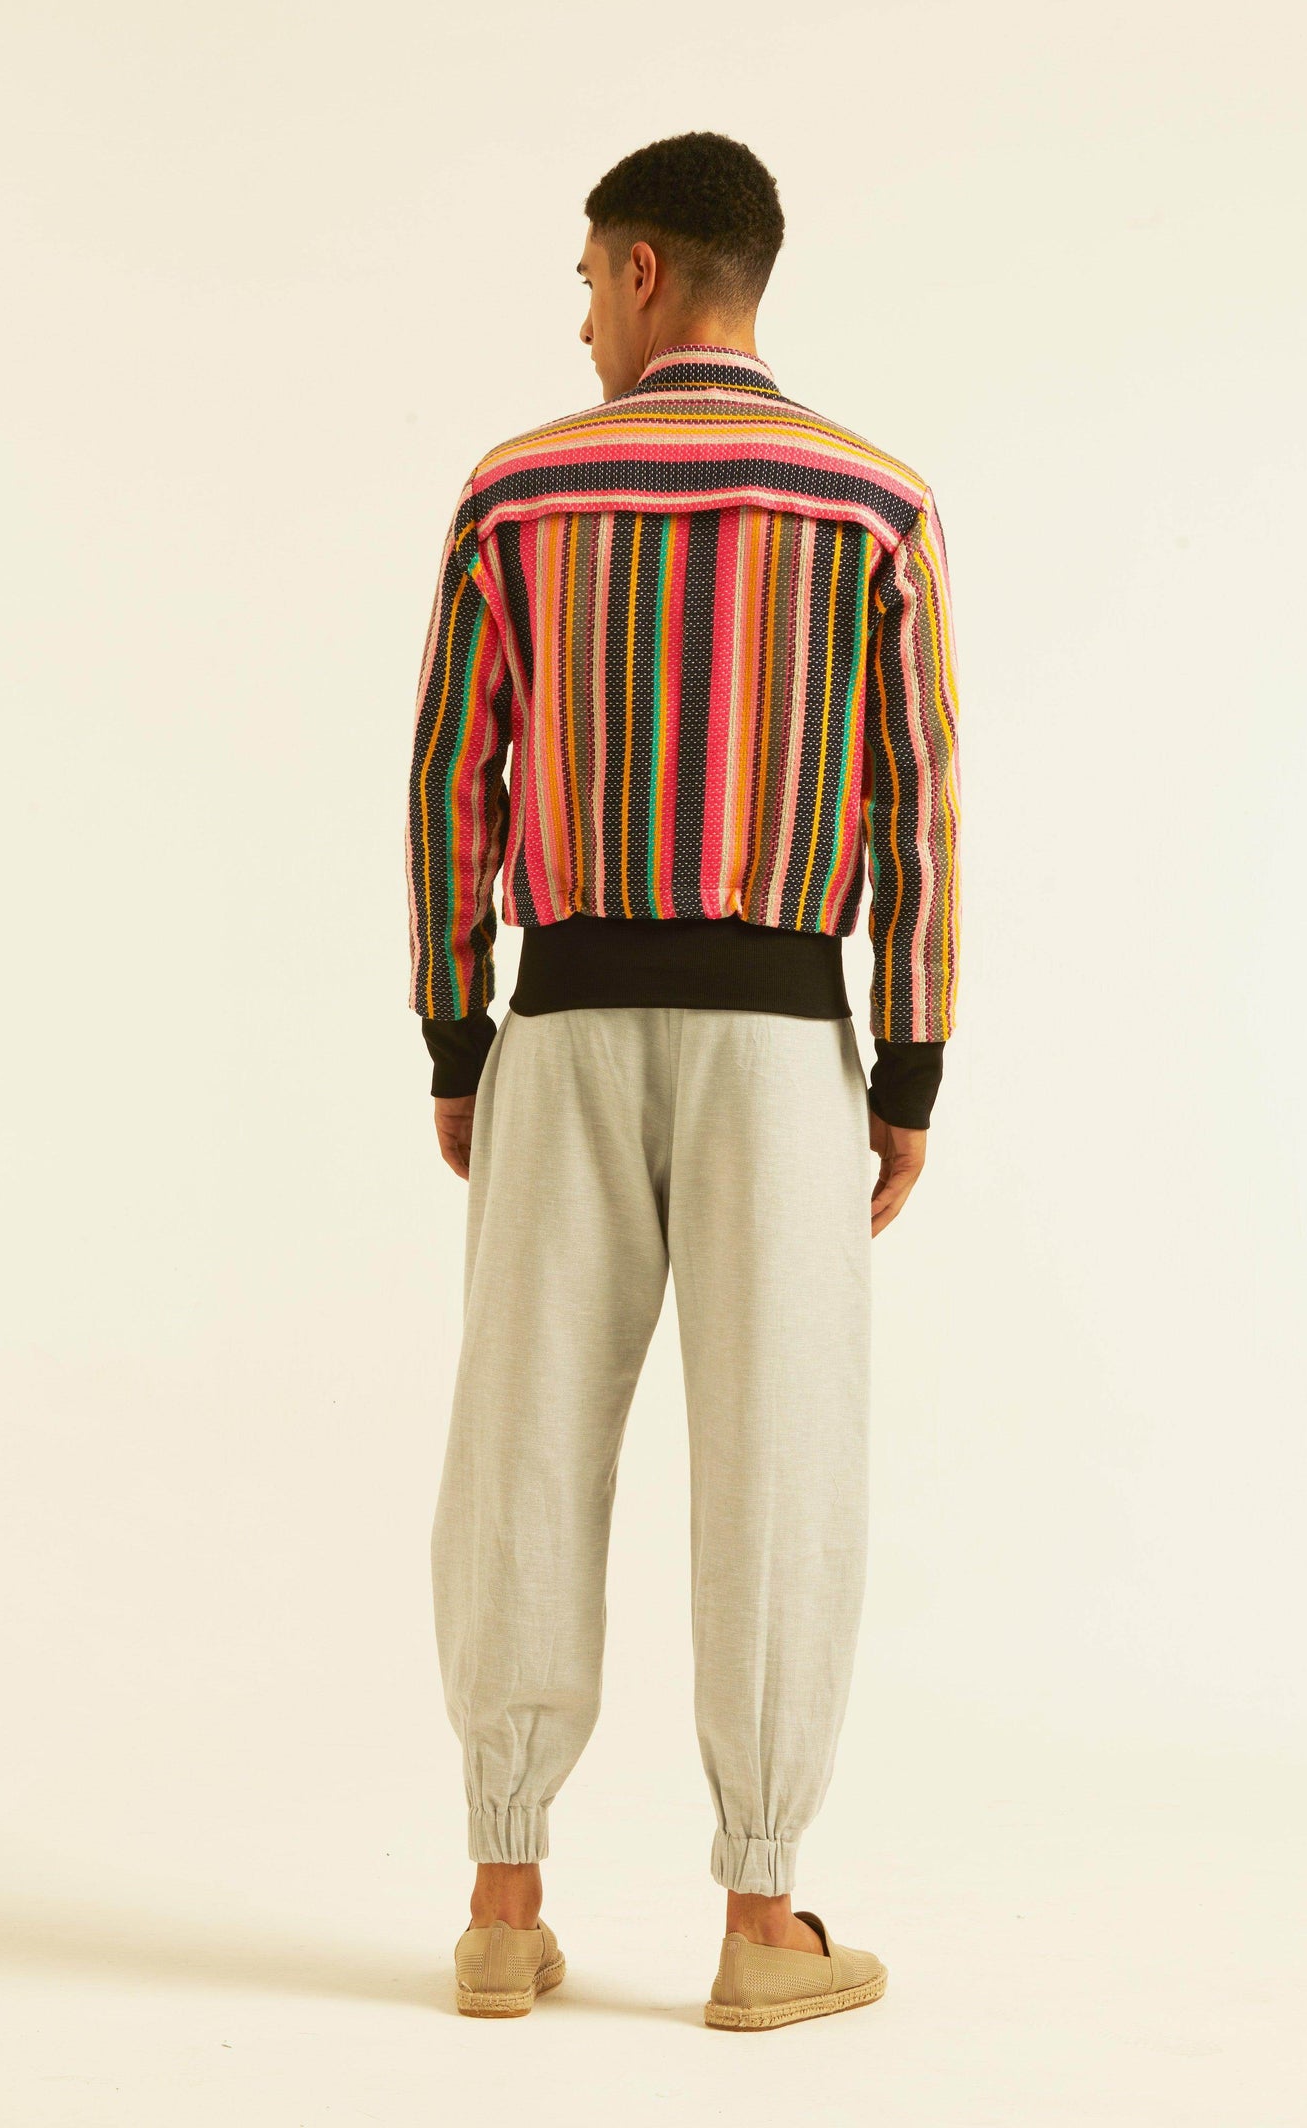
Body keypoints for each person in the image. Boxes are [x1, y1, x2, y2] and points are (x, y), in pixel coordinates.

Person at [404, 130, 961, 2030]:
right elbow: (918, 807)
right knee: (779, 1458)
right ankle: (756, 1919)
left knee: (520, 1441)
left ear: (645, 269)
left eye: (585, 282)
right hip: (777, 1042)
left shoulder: (513, 493)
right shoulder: (873, 502)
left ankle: (501, 1898)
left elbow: (447, 780)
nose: (578, 323)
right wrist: (908, 1070)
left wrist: (458, 1036)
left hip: (561, 1025)